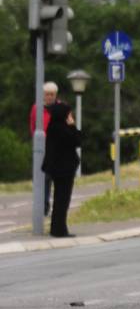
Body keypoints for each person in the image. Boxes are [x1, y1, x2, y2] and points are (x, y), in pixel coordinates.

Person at [42, 92, 81, 238]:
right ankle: (60, 230)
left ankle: (56, 228)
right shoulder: (63, 129)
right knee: (62, 200)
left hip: (56, 169)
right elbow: (77, 141)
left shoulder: (52, 127)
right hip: (64, 170)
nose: (70, 117)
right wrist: (72, 126)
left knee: (59, 199)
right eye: (68, 114)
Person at [28, 82, 58, 216]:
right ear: (43, 95)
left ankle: (57, 206)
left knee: (56, 178)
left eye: (52, 94)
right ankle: (44, 205)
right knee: (44, 177)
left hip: (57, 148)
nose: (50, 97)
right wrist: (38, 142)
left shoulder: (60, 107)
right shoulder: (36, 108)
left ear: (55, 95)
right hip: (43, 147)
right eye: (47, 94)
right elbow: (32, 125)